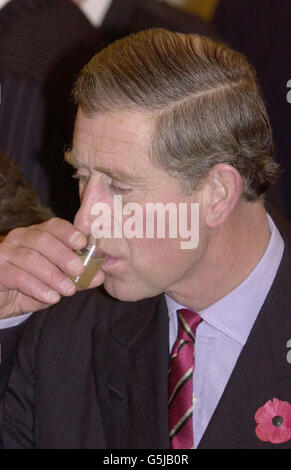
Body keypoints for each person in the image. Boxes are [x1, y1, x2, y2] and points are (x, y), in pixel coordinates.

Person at [0, 29, 290, 449]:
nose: (84, 217)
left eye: (118, 187)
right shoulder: (63, 327)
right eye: (82, 177)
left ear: (217, 194)